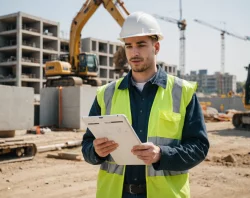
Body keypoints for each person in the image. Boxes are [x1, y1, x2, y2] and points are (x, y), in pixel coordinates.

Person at [82, 11, 209, 198]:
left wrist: (161, 155)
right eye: (129, 46)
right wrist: (96, 151)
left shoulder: (183, 92)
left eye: (141, 45)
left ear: (156, 47)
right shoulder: (106, 94)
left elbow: (199, 147)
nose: (134, 52)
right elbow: (86, 146)